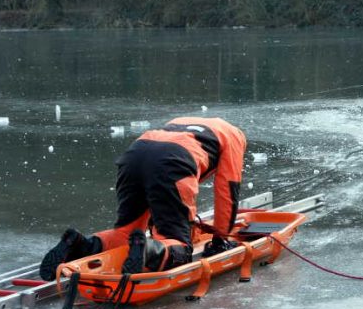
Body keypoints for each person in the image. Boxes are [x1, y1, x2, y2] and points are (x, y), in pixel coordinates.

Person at [39, 116, 247, 280]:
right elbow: (227, 191)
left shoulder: (187, 123)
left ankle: (79, 245)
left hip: (135, 155)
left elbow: (159, 191)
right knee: (180, 247)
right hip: (174, 161)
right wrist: (221, 238)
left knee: (125, 233)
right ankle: (149, 251)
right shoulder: (234, 138)